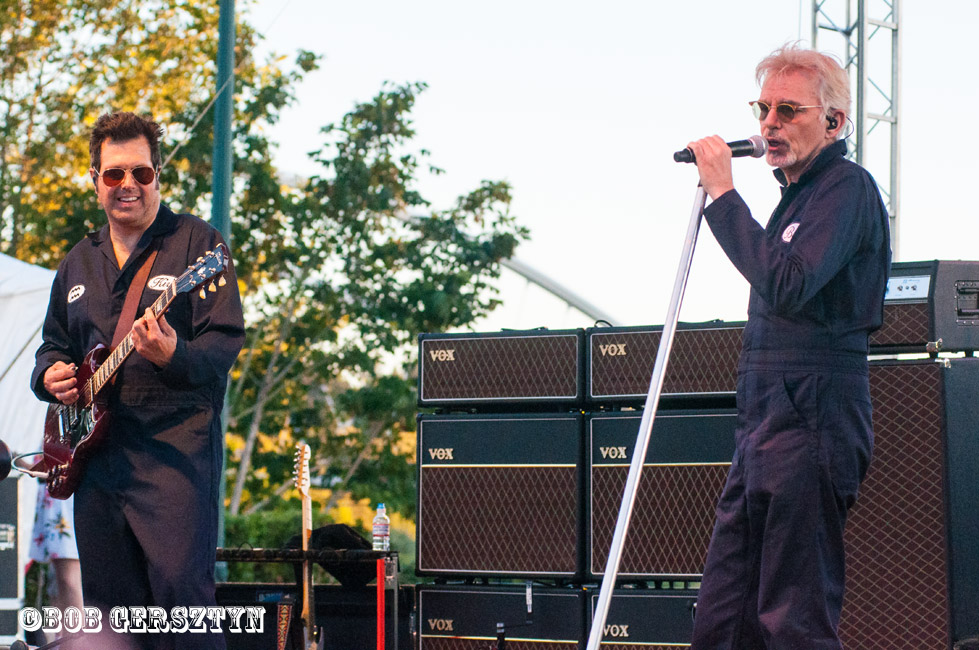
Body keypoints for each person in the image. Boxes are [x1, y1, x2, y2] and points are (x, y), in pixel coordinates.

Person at [683, 45, 890, 649]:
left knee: (792, 614)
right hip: (763, 418)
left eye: (787, 110)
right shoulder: (793, 200)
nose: (769, 123)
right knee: (723, 613)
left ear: (833, 122)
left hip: (814, 412)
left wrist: (724, 197)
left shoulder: (846, 189)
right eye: (763, 108)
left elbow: (789, 281)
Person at [31, 111, 245, 649]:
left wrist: (174, 354)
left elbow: (224, 346)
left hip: (174, 456)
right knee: (110, 613)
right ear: (96, 179)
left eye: (141, 174)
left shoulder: (198, 244)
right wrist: (48, 375)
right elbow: (53, 345)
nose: (128, 185)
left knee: (181, 602)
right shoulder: (77, 262)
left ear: (158, 176)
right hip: (96, 462)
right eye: (114, 174)